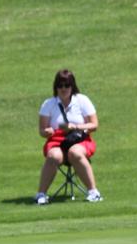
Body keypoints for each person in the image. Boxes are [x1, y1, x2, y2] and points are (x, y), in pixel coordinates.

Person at [35, 69, 102, 205]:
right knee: (53, 155)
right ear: (56, 87)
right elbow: (42, 131)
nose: (63, 89)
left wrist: (75, 127)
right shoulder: (48, 104)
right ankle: (41, 194)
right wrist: (47, 131)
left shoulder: (82, 100)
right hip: (57, 140)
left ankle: (93, 192)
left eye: (67, 85)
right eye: (60, 85)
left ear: (72, 86)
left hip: (79, 139)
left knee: (75, 152)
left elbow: (94, 125)